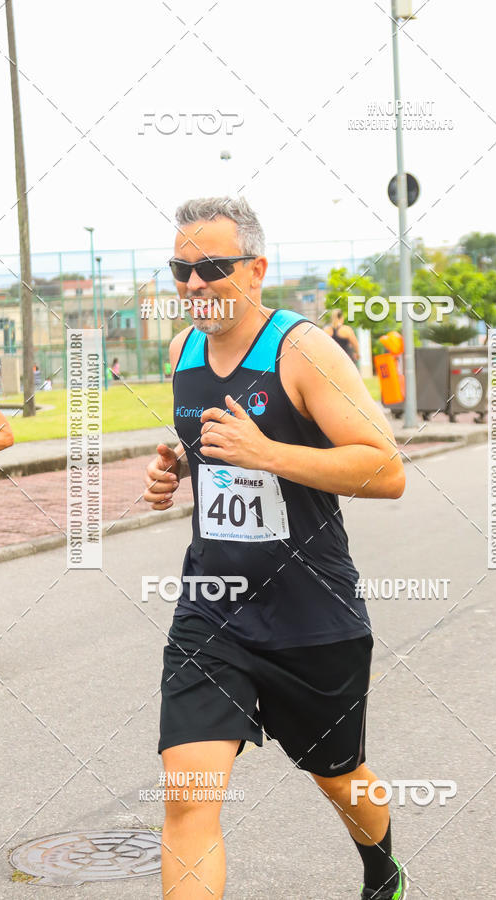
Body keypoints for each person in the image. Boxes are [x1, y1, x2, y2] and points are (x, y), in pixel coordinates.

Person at [143, 196, 407, 900]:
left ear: (256, 270)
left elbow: (386, 469)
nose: (194, 286)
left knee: (340, 778)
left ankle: (383, 869)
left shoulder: (303, 350)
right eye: (181, 270)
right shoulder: (183, 351)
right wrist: (176, 462)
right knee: (188, 797)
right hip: (212, 611)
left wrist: (269, 454)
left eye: (212, 268)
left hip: (310, 614)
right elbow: (210, 446)